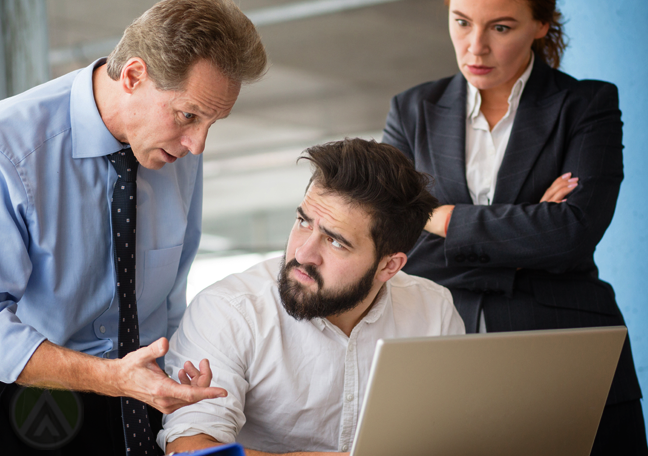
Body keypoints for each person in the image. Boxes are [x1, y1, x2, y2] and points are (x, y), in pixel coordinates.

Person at [0, 0, 266, 454]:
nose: (197, 145)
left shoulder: (174, 149)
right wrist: (110, 378)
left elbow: (172, 293)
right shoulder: (12, 148)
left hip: (146, 396)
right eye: (188, 116)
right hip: (39, 400)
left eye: (211, 123)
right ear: (134, 76)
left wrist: (184, 366)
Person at [382, 0, 646, 453]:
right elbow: (394, 240)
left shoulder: (587, 105)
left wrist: (442, 218)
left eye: (500, 28)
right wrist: (528, 227)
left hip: (566, 347)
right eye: (461, 22)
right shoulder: (411, 111)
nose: (475, 47)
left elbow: (572, 234)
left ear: (541, 24)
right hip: (443, 348)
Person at [158, 138, 465, 454]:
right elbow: (189, 450)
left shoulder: (433, 311)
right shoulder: (228, 311)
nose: (304, 254)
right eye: (303, 222)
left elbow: (456, 438)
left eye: (335, 242)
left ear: (389, 266)